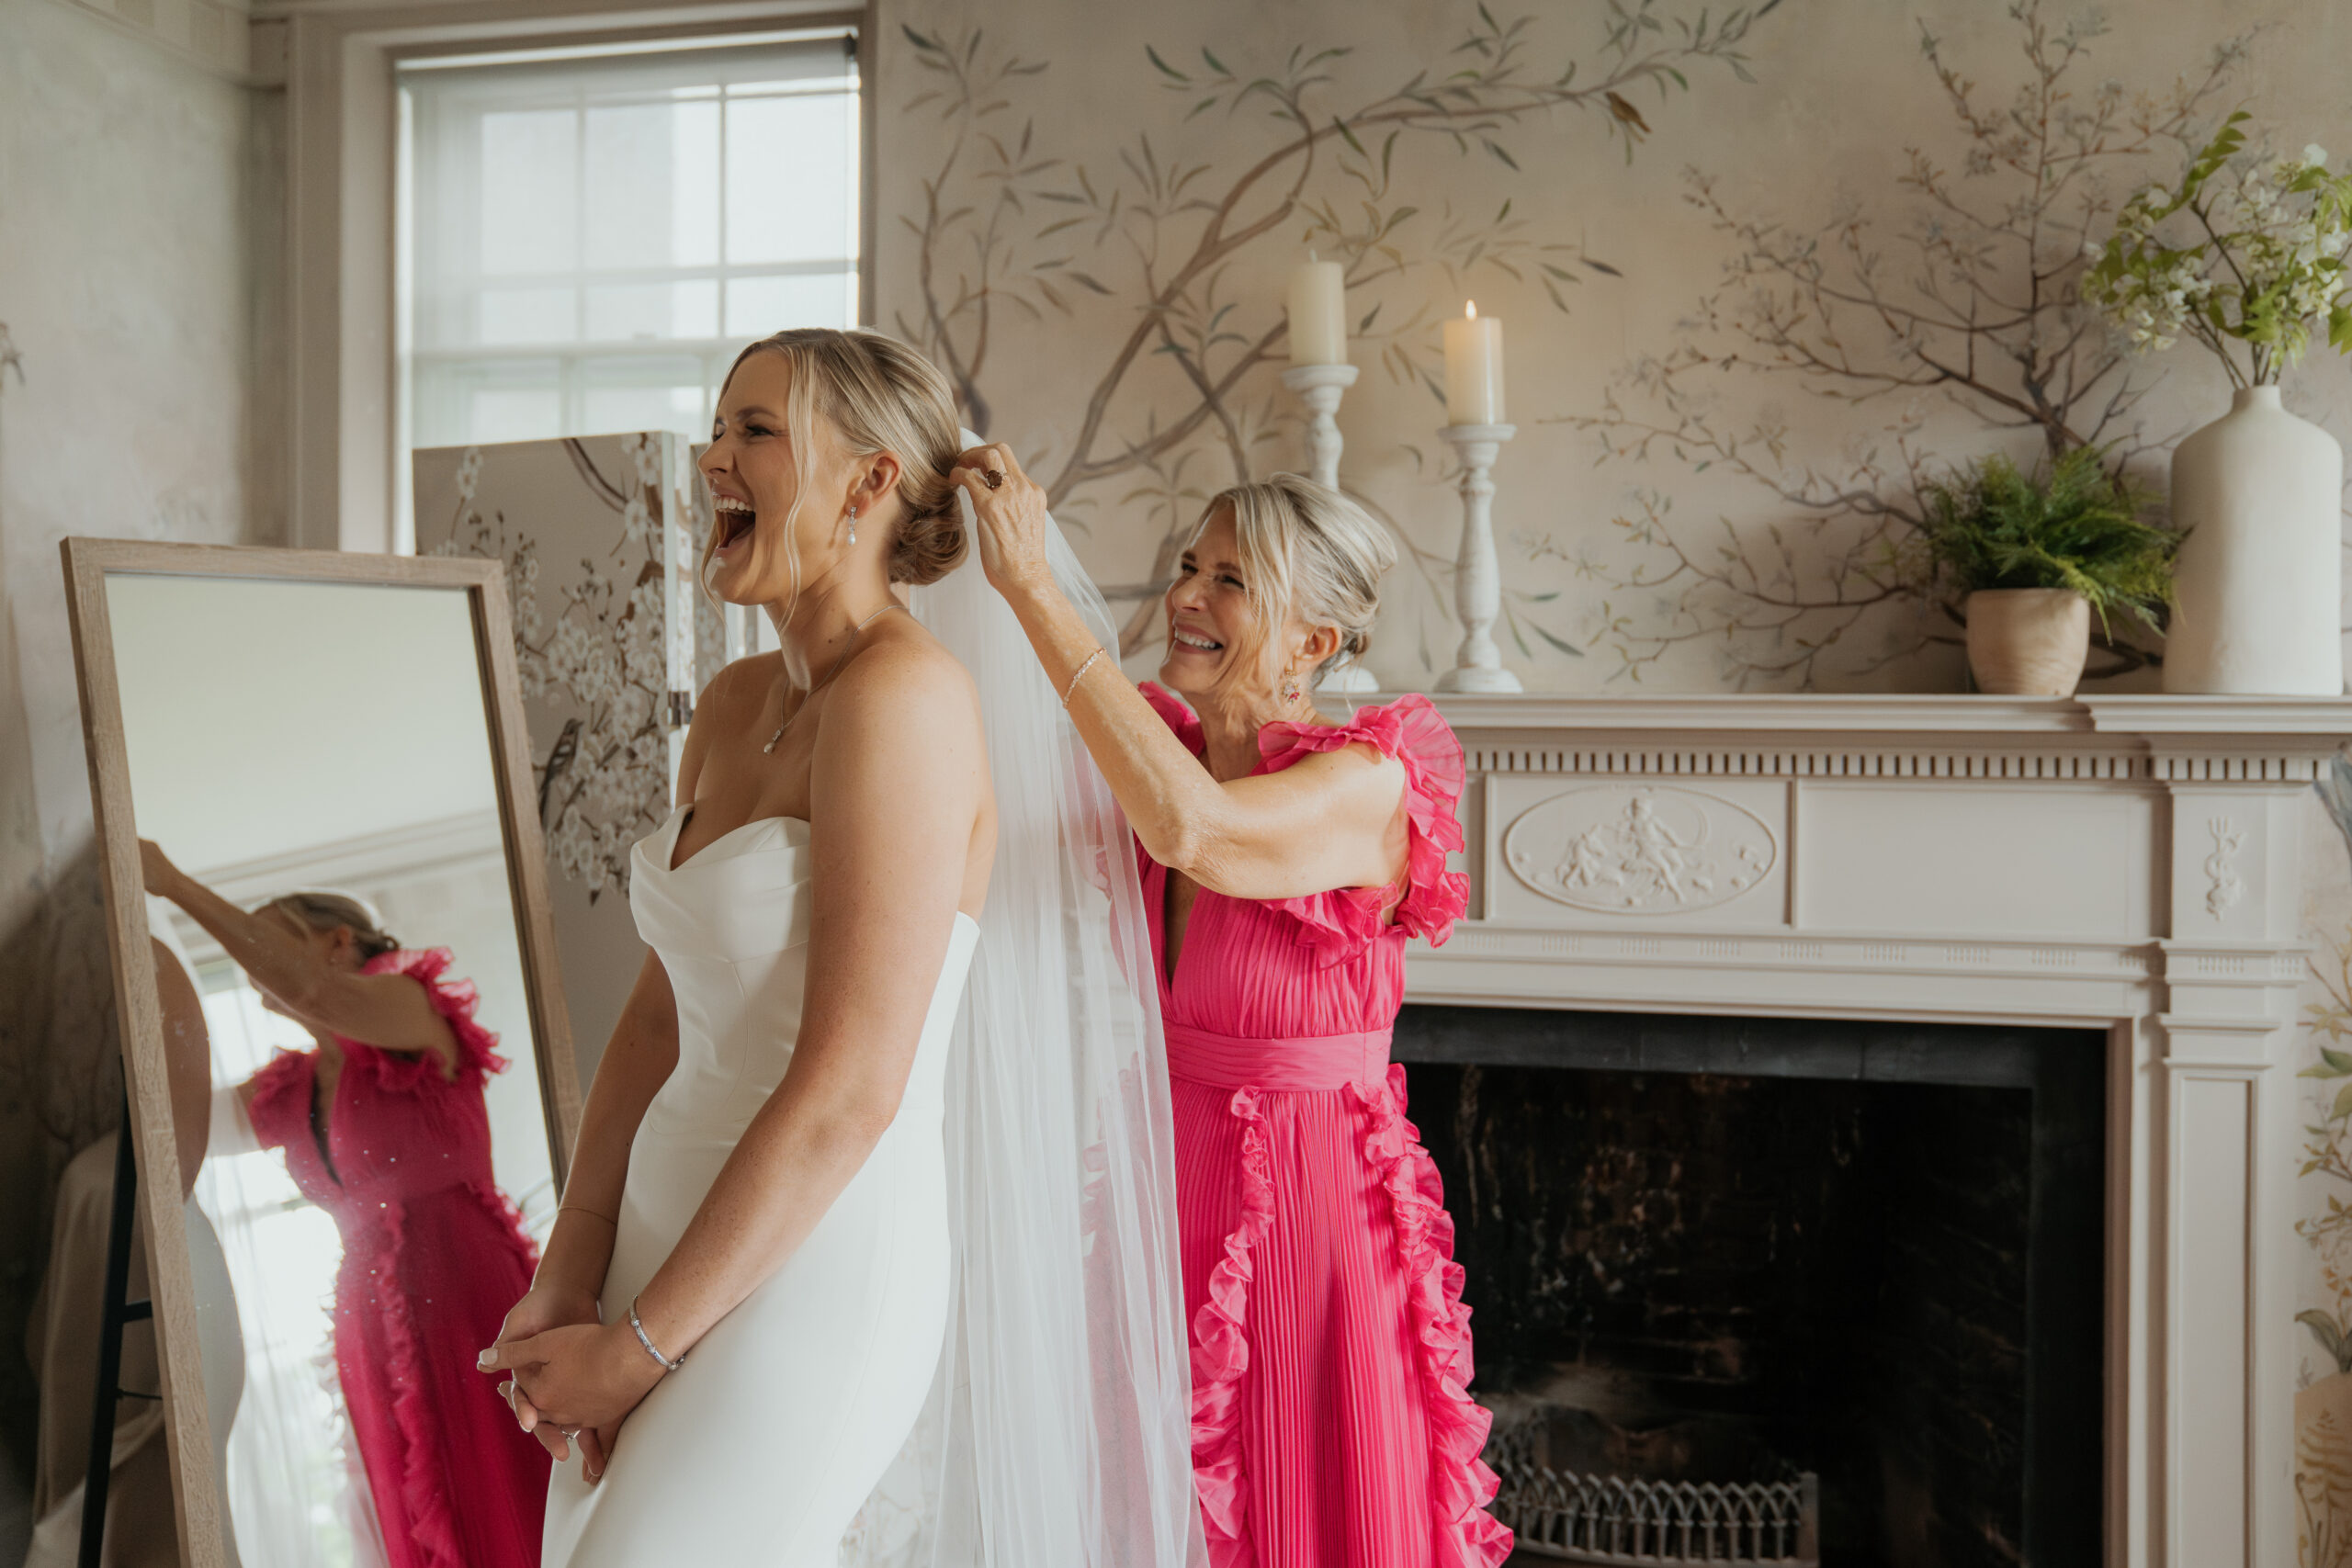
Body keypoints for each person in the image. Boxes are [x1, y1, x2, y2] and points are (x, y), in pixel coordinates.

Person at [485, 328, 1196, 1568]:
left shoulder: (904, 704)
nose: (711, 456)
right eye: (721, 425)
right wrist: (573, 1265)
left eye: (756, 430)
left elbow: (854, 1086)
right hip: (659, 1235)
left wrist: (638, 1345)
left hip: (806, 1267)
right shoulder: (728, 708)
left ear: (868, 482)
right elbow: (663, 1012)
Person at [958, 456, 1514, 1568]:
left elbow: (1197, 835)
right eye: (1186, 567)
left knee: (1299, 1496)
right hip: (1173, 1172)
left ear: (1315, 644)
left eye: (1229, 580)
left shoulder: (1367, 786)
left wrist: (1030, 587)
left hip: (1311, 1206)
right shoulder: (1160, 754)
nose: (1184, 599)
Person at [140, 847, 548, 1568]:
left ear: (336, 942)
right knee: (412, 1509)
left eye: (263, 941)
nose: (254, 971)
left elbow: (318, 997)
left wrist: (172, 885)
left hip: (463, 1284)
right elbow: (176, 1117)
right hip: (370, 1316)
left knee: (500, 1483)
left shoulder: (411, 1007)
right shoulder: (290, 1088)